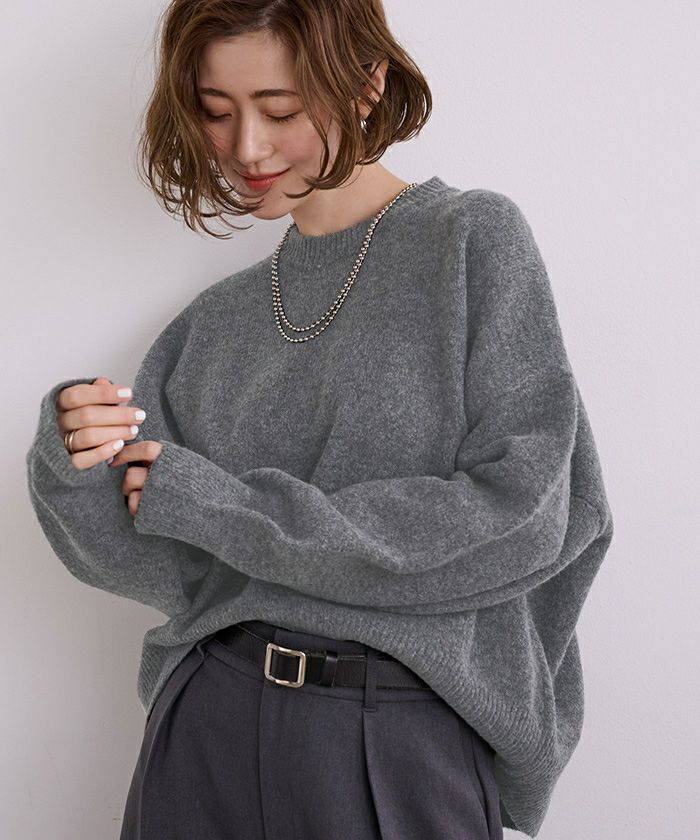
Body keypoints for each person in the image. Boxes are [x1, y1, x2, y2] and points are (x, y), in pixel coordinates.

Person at [25, 1, 614, 838]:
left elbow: (522, 518)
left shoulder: (468, 241)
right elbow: (170, 571)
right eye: (216, 110)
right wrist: (74, 463)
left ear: (367, 83)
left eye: (281, 109)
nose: (245, 148)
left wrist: (230, 509)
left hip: (398, 732)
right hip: (205, 727)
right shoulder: (212, 324)